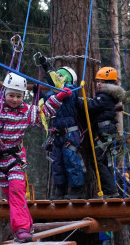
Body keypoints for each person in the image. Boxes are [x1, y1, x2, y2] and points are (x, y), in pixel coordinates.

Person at [0, 72, 72, 242]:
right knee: (11, 195)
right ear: (4, 93)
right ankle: (27, 225)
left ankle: (20, 230)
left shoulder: (26, 111)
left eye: (18, 96)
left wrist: (59, 97)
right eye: (11, 95)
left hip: (15, 158)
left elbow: (45, 112)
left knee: (16, 191)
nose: (14, 99)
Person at [35, 58, 86, 199]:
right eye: (57, 74)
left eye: (61, 75)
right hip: (57, 134)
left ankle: (77, 189)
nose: (58, 77)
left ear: (68, 79)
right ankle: (60, 190)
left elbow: (57, 84)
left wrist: (47, 67)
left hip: (70, 133)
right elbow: (45, 105)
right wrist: (38, 94)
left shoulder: (71, 92)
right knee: (57, 162)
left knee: (71, 159)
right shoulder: (53, 94)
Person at [81, 67, 125, 198]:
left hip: (104, 131)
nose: (98, 84)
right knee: (104, 161)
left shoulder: (104, 96)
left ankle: (110, 191)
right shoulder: (110, 97)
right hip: (106, 130)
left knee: (98, 161)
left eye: (102, 81)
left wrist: (77, 101)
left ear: (110, 83)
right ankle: (110, 191)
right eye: (98, 81)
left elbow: (91, 107)